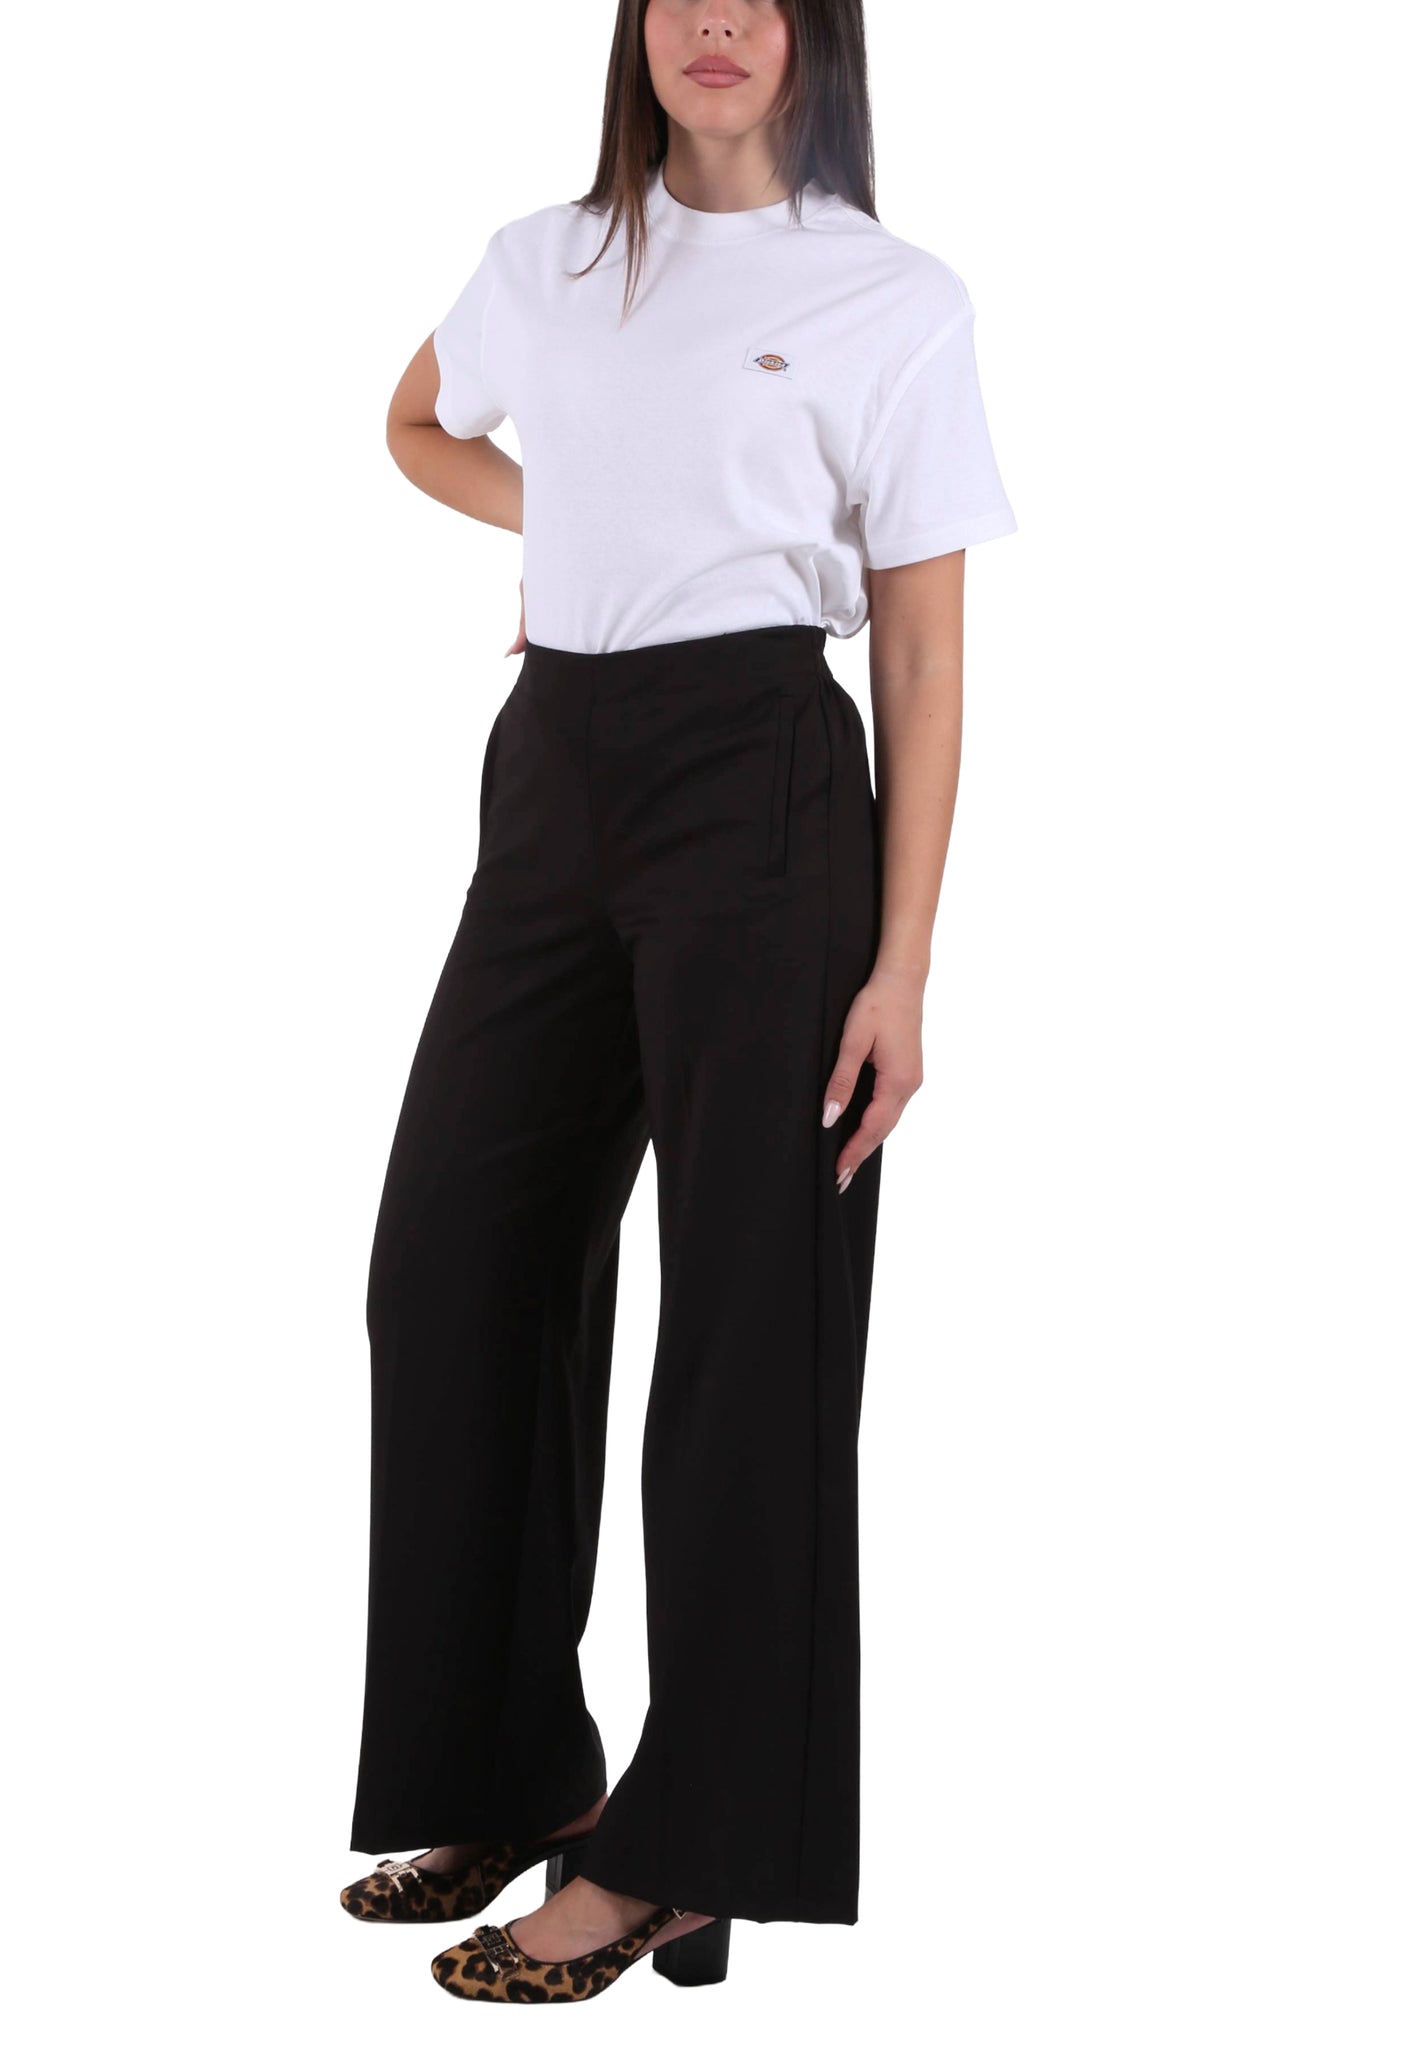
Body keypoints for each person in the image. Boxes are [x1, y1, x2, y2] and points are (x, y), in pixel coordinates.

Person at [340, 0, 1016, 2007]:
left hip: (762, 786)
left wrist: (903, 961)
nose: (715, 21)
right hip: (555, 774)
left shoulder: (889, 297)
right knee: (453, 1261)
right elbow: (417, 424)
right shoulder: (542, 258)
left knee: (748, 1324)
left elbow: (922, 646)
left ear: (818, 34)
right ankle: (509, 1766)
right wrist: (572, 521)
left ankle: (683, 1849)